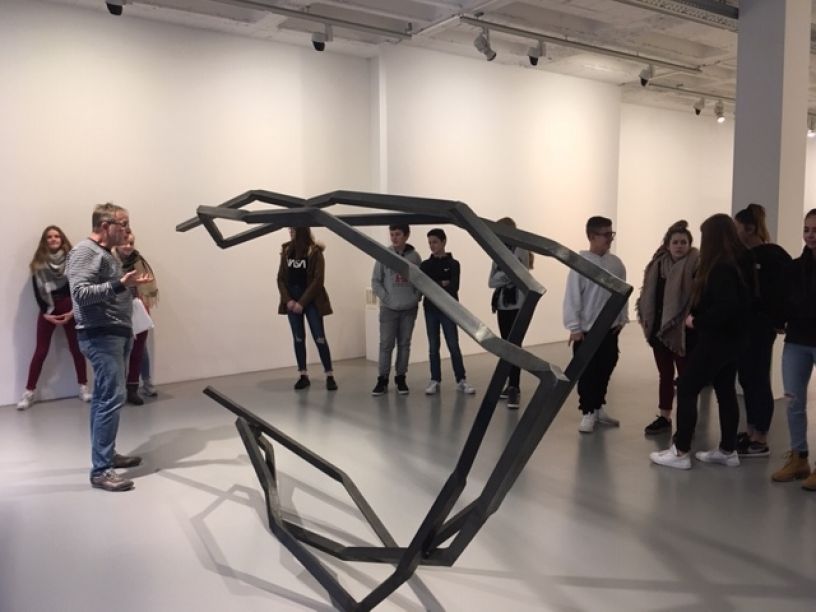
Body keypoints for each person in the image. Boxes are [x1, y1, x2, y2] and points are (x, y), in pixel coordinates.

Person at [650, 214, 753, 470]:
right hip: (733, 340)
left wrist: (697, 321)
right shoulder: (738, 262)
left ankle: (681, 451)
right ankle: (727, 450)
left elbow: (725, 307)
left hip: (717, 340)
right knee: (725, 390)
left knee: (686, 387)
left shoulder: (721, 268)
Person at [66, 202, 153, 492]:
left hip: (114, 333)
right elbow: (80, 294)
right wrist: (118, 285)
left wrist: (126, 284)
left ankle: (107, 455)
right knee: (109, 399)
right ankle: (101, 471)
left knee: (106, 398)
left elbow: (107, 289)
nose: (127, 230)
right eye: (123, 224)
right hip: (100, 336)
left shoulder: (106, 254)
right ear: (105, 226)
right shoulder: (85, 251)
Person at [733, 203, 791, 457]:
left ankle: (761, 438)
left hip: (760, 327)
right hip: (745, 326)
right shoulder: (744, 256)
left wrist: (779, 319)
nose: (734, 233)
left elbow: (784, 290)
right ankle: (750, 430)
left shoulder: (772, 255)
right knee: (747, 378)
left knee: (758, 378)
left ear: (749, 228)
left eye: (737, 228)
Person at [563, 216, 628, 432]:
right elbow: (573, 296)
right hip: (587, 331)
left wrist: (622, 318)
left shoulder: (616, 264)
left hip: (609, 329)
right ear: (592, 236)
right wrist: (574, 327)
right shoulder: (580, 264)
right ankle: (588, 411)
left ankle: (598, 406)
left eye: (611, 234)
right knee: (587, 372)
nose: (610, 238)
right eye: (605, 234)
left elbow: (622, 292)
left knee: (606, 366)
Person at [17, 226, 91, 410]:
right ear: (45, 241)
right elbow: (37, 291)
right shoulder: (38, 264)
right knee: (41, 351)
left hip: (69, 307)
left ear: (62, 239)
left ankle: (83, 387)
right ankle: (29, 393)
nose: (53, 239)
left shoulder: (73, 260)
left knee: (77, 348)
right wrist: (46, 314)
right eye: (49, 237)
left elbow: (78, 286)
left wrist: (73, 310)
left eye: (57, 236)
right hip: (47, 308)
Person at [636, 221, 699, 435]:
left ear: (690, 244)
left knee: (686, 378)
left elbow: (699, 297)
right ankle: (664, 417)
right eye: (675, 242)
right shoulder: (657, 265)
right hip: (659, 329)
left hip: (683, 332)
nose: (679, 246)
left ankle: (687, 420)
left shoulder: (696, 265)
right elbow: (648, 294)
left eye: (684, 242)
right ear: (668, 245)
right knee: (665, 375)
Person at [771, 208, 816, 490]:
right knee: (793, 402)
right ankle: (799, 458)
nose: (811, 235)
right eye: (807, 230)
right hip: (797, 342)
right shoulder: (795, 267)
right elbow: (783, 299)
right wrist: (779, 319)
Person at [277, 227, 337, 391]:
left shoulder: (315, 252)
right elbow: (280, 278)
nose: (290, 232)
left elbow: (318, 280)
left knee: (319, 337)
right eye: (290, 229)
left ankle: (329, 375)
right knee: (298, 338)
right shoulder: (287, 250)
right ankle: (303, 375)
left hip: (311, 302)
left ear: (302, 230)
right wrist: (288, 300)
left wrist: (302, 303)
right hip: (292, 301)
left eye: (293, 229)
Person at [420, 228, 475, 396]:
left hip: (449, 310)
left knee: (453, 344)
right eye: (430, 242)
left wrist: (435, 284)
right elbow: (424, 287)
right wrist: (441, 283)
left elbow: (453, 287)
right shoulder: (425, 265)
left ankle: (461, 379)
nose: (432, 245)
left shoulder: (453, 264)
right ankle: (435, 379)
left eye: (435, 242)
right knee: (433, 346)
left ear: (443, 242)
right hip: (431, 309)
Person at [371, 223, 422, 396]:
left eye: (398, 234)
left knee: (404, 344)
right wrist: (386, 298)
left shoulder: (415, 257)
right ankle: (382, 378)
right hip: (389, 309)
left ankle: (401, 378)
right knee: (386, 344)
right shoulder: (384, 255)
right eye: (392, 234)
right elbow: (376, 281)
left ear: (406, 235)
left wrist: (415, 297)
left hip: (409, 308)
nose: (394, 238)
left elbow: (421, 281)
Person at [488, 217, 533, 409]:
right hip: (502, 305)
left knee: (515, 346)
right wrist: (507, 275)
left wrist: (504, 275)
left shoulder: (520, 249)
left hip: (518, 305)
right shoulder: (498, 251)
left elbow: (520, 273)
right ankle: (510, 385)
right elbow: (491, 282)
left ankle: (514, 386)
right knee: (506, 346)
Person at [114, 233, 159, 405]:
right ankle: (118, 389)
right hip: (118, 311)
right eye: (124, 242)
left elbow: (148, 287)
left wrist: (143, 304)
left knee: (138, 350)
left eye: (131, 242)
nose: (128, 246)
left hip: (138, 309)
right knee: (119, 352)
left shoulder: (139, 262)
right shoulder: (110, 262)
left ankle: (133, 388)